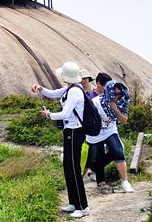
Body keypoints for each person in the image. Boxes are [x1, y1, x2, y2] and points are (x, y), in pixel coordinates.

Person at [32, 61, 90, 218]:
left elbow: (64, 114)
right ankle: (73, 202)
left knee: (74, 169)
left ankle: (82, 207)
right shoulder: (70, 88)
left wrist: (48, 115)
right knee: (68, 167)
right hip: (69, 132)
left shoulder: (74, 92)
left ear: (66, 76)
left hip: (74, 132)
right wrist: (41, 88)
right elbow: (54, 93)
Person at [87, 73, 134, 193]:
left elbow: (124, 120)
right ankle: (100, 182)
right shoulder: (96, 102)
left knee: (118, 151)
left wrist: (115, 108)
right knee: (98, 156)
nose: (117, 96)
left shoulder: (122, 101)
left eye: (119, 94)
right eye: (114, 94)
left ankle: (125, 181)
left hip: (110, 130)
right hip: (96, 132)